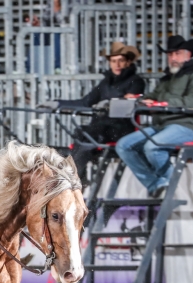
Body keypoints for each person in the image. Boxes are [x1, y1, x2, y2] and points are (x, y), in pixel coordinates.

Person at [115, 36, 193, 198]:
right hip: (163, 125)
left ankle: (172, 187)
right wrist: (138, 101)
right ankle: (157, 184)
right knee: (123, 145)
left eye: (177, 53)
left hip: (190, 125)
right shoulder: (167, 79)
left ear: (188, 55)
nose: (173, 58)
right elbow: (152, 96)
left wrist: (160, 103)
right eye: (170, 54)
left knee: (153, 146)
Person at [43, 42, 145, 185]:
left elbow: (128, 103)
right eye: (113, 61)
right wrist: (58, 103)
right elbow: (85, 102)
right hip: (102, 126)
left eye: (121, 60)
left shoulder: (136, 81)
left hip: (121, 128)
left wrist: (110, 104)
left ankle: (74, 178)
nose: (117, 64)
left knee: (88, 135)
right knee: (82, 133)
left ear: (128, 62)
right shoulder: (105, 83)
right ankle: (78, 176)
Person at [29, 0, 82, 72]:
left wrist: (56, 5)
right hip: (60, 33)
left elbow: (65, 23)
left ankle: (58, 68)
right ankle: (32, 71)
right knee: (37, 34)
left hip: (78, 36)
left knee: (58, 34)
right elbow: (47, 19)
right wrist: (38, 24)